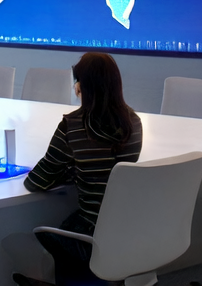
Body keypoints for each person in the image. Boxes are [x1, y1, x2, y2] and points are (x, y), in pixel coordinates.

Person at [17, 52, 143, 286]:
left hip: (90, 233)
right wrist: (80, 168)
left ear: (80, 86)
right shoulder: (133, 122)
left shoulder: (73, 125)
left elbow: (36, 182)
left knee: (48, 234)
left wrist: (73, 168)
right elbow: (110, 169)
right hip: (128, 228)